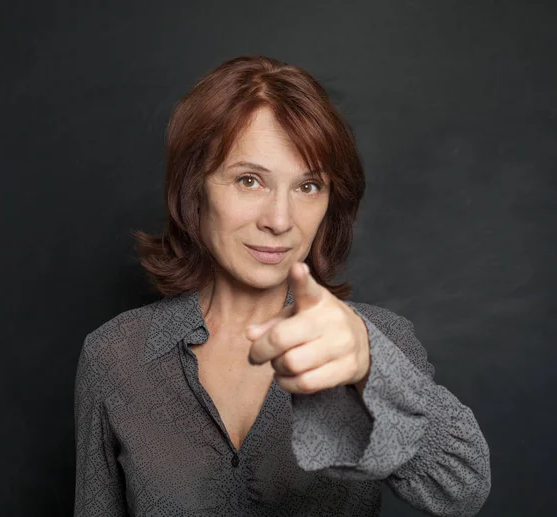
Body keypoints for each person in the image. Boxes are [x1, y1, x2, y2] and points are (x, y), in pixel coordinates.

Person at [73, 55, 491, 517]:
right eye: (249, 180)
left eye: (308, 187)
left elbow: (464, 489)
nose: (279, 220)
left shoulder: (376, 343)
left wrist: (373, 368)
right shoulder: (114, 355)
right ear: (195, 188)